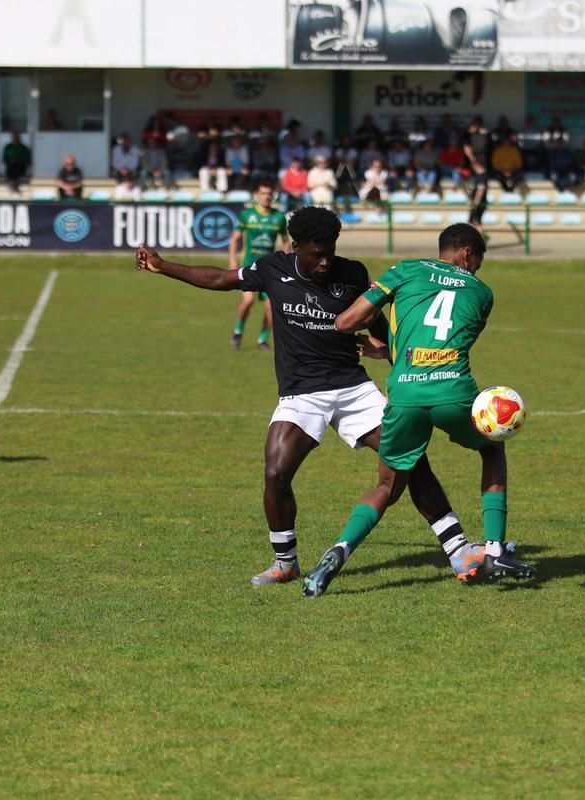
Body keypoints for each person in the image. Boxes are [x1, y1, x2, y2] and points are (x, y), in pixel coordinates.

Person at [135, 208, 491, 587]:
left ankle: (457, 549)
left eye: (330, 252)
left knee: (411, 461)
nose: (324, 261)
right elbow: (221, 278)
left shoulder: (352, 273)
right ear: (295, 247)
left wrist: (384, 351)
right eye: (315, 254)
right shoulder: (273, 268)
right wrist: (163, 266)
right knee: (276, 472)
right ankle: (285, 561)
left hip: (352, 389)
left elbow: (384, 328)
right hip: (302, 393)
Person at [301, 224, 537, 597]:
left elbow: (346, 321)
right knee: (492, 447)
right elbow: (446, 338)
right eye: (478, 260)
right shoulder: (482, 292)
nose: (477, 267)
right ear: (467, 255)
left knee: (386, 486)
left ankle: (337, 552)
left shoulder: (405, 270)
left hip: (405, 394)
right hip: (453, 392)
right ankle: (494, 551)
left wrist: (382, 345)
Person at [228, 182, 287, 351]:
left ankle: (262, 339)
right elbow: (235, 239)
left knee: (270, 306)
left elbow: (286, 243)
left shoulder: (279, 218)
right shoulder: (247, 215)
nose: (266, 196)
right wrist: (233, 259)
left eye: (269, 193)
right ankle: (237, 332)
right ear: (257, 195)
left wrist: (288, 261)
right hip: (248, 266)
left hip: (269, 269)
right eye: (263, 193)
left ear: (272, 195)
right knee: (248, 300)